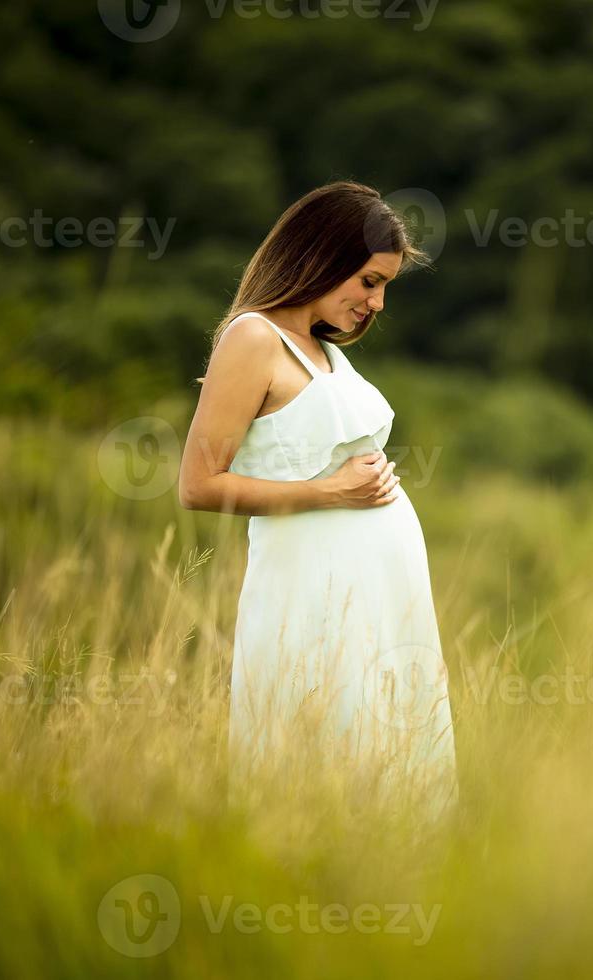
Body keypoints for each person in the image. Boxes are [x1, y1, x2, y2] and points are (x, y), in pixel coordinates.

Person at [178, 181, 457, 816]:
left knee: (391, 748)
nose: (377, 301)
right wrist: (329, 490)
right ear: (321, 258)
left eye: (384, 286)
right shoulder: (254, 338)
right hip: (311, 590)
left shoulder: (325, 349)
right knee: (321, 750)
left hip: (381, 593)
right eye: (368, 281)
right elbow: (198, 484)